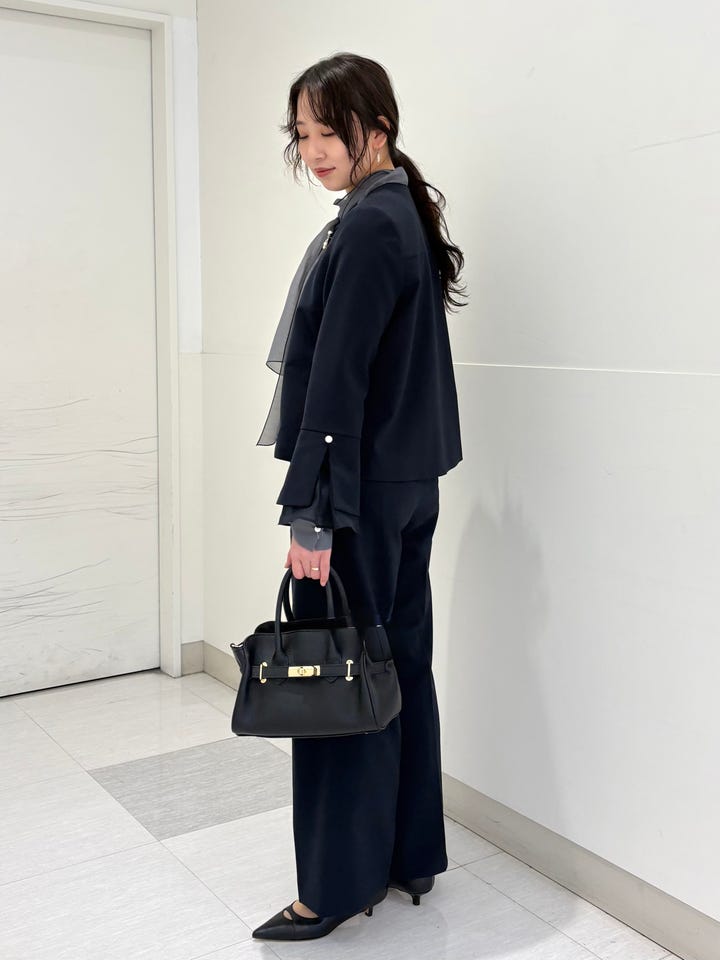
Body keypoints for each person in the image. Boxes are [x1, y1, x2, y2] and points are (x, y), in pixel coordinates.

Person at [252, 52, 467, 941]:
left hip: (361, 493)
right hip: (406, 482)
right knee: (395, 665)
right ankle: (407, 853)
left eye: (327, 130)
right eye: (301, 133)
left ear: (376, 127)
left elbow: (339, 377)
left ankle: (334, 886)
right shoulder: (397, 209)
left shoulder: (373, 223)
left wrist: (311, 511)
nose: (313, 149)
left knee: (334, 676)